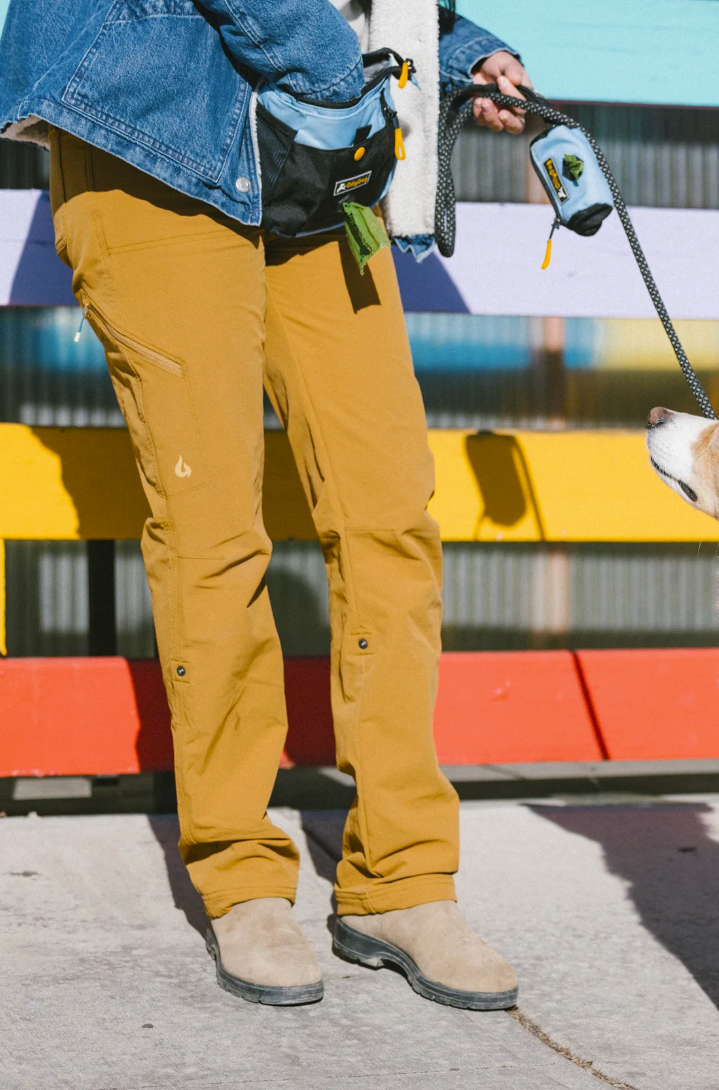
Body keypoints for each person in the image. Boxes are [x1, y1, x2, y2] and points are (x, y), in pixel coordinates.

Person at [0, 0, 532, 1008]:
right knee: (211, 527)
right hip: (153, 125)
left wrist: (458, 52)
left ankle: (405, 878)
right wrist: (335, 64)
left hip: (315, 150)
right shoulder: (291, 73)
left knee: (387, 509)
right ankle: (241, 875)